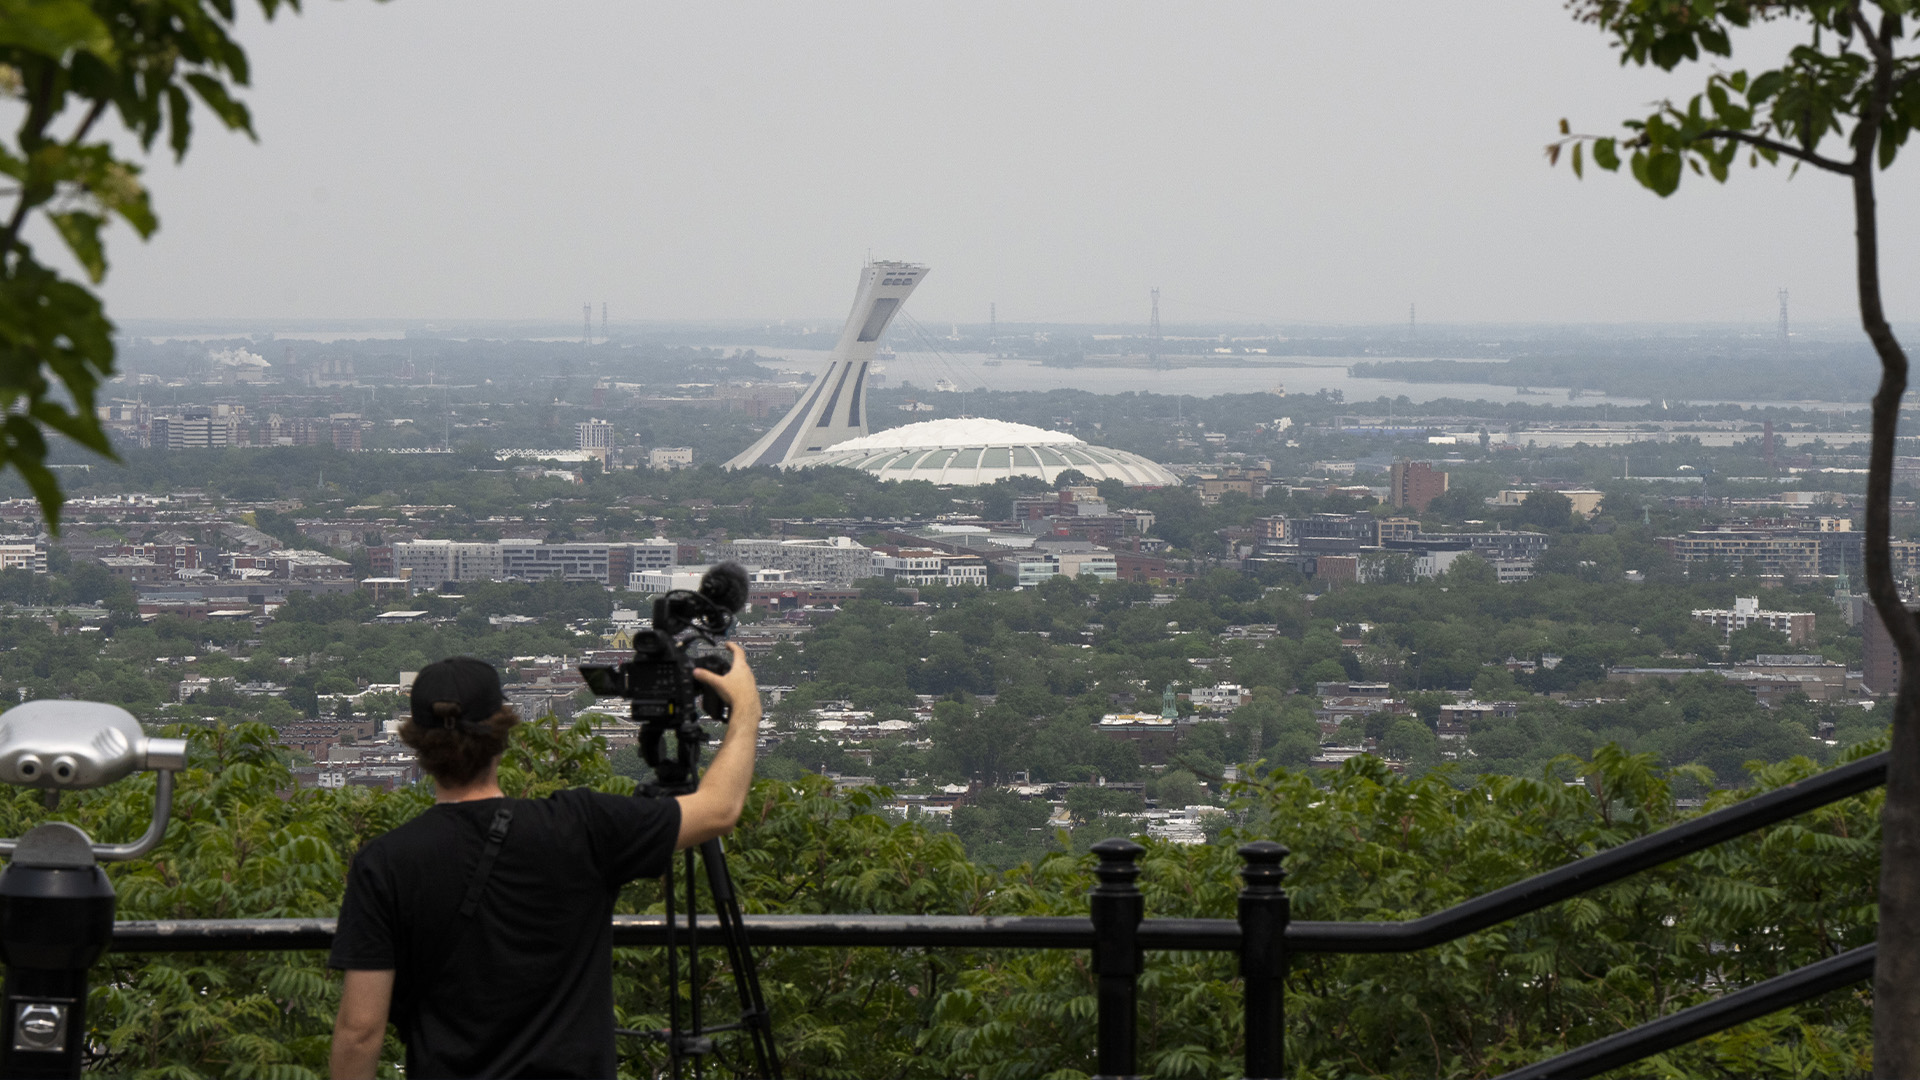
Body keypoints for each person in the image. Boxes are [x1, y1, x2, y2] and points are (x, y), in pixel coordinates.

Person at [327, 648, 760, 1079]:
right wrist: (746, 711)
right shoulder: (580, 826)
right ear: (502, 734)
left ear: (417, 744)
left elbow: (361, 1031)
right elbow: (719, 809)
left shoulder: (384, 862)